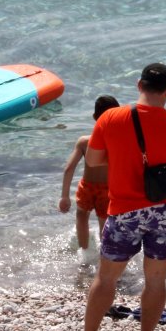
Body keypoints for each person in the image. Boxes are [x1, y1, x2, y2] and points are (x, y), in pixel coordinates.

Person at [67, 63, 166, 331]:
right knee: (156, 281)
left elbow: (95, 160)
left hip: (124, 210)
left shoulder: (111, 119)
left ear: (139, 85)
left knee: (106, 278)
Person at [59, 95, 121, 250]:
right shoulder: (119, 142)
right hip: (108, 189)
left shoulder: (84, 141)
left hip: (87, 187)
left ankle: (84, 253)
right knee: (104, 223)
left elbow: (69, 168)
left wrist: (64, 196)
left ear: (94, 117)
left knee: (81, 217)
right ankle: (105, 254)